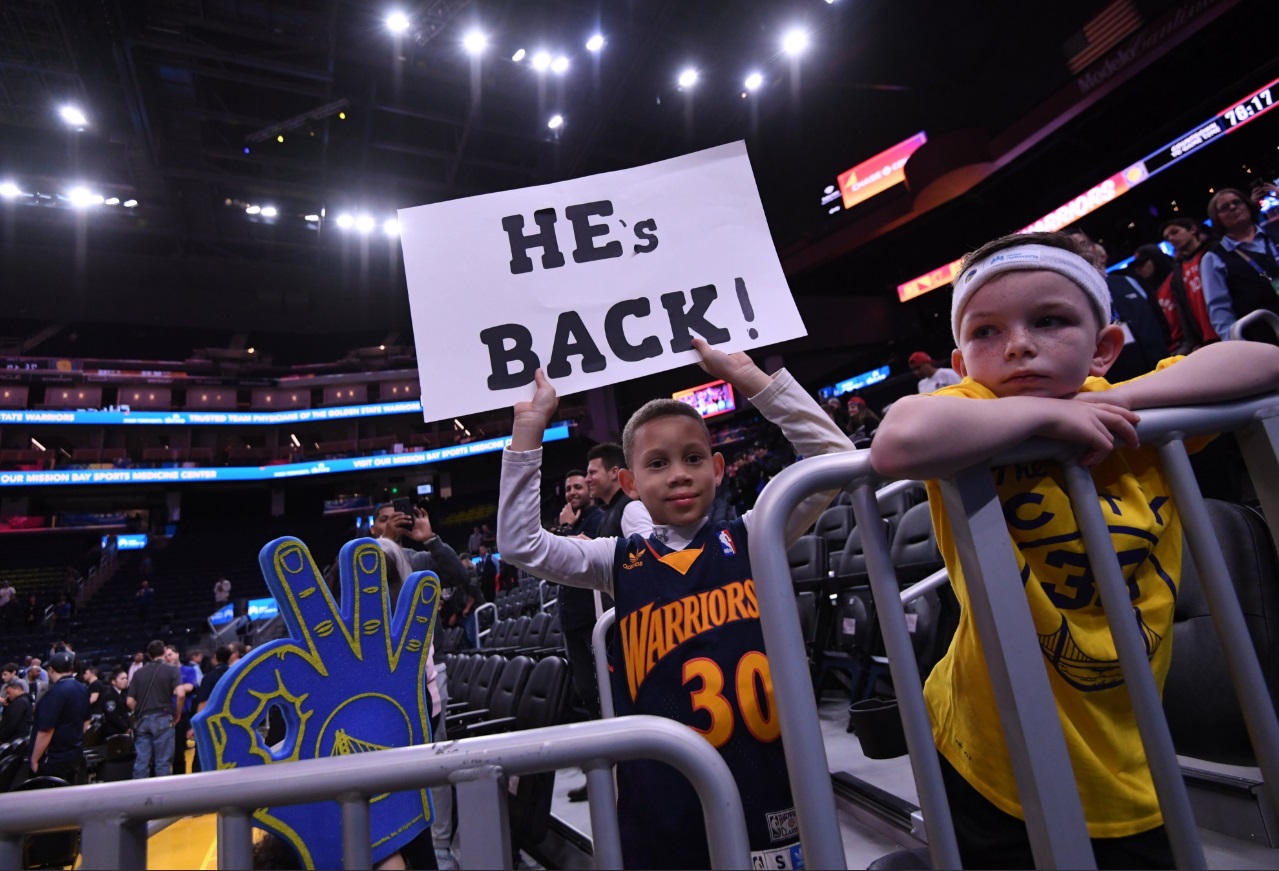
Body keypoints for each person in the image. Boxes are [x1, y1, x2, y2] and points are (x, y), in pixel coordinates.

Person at [870, 230, 1279, 869]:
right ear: (961, 360)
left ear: (1106, 347)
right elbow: (898, 441)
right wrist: (1046, 419)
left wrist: (1115, 402)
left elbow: (1262, 362)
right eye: (987, 333)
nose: (1020, 345)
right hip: (988, 749)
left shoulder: (1136, 424)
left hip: (1127, 741)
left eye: (1051, 321)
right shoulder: (972, 408)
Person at [498, 338, 851, 869]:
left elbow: (835, 461)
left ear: (719, 467)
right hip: (661, 785)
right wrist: (529, 431)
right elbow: (520, 543)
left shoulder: (758, 533)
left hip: (764, 769)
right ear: (629, 483)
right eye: (657, 463)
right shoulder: (613, 557)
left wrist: (751, 377)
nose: (679, 473)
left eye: (692, 459)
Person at [1064, 226, 1169, 381]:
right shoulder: (1069, 297)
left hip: (1161, 369)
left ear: (1094, 249)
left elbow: (1160, 320)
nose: (1080, 251)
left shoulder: (1129, 281)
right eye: (1072, 249)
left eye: (1083, 244)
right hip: (1114, 383)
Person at [1200, 187, 1279, 341]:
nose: (1232, 207)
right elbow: (1220, 312)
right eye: (1224, 207)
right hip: (1264, 340)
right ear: (1217, 218)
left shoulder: (1274, 234)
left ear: (1248, 205)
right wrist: (1239, 347)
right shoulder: (1213, 259)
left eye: (1237, 202)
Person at [25, 650, 90, 785]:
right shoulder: (82, 688)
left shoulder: (55, 692)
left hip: (53, 759)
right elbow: (86, 721)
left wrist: (34, 760)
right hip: (74, 754)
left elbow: (46, 730)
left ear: (50, 670)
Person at [1156, 218, 1217, 352]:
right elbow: (1183, 311)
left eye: (1175, 232)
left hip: (1233, 326)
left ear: (1193, 229)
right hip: (1207, 339)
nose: (1171, 238)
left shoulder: (1214, 251)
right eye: (1167, 237)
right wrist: (1193, 342)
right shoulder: (1178, 273)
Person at [127, 639, 183, 779]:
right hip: (163, 717)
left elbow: (129, 701)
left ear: (149, 655)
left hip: (143, 719)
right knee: (163, 763)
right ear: (164, 652)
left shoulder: (139, 673)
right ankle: (163, 798)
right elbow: (181, 693)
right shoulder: (172, 669)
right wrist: (177, 714)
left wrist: (140, 711)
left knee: (141, 762)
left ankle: (139, 796)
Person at [165, 646, 200, 775]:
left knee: (180, 749)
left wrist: (170, 690)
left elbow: (189, 687)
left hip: (182, 715)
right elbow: (182, 689)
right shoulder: (163, 672)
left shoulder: (188, 670)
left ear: (177, 654)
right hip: (165, 714)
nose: (168, 657)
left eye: (170, 654)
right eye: (166, 656)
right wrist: (179, 689)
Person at [98, 669, 132, 741]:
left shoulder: (122, 694)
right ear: (113, 681)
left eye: (126, 678)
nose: (125, 681)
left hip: (123, 730)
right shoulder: (109, 696)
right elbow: (113, 715)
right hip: (114, 732)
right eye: (122, 679)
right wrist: (125, 728)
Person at [0, 678, 34, 744]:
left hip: (14, 739)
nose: (7, 696)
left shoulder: (20, 702)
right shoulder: (24, 700)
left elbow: (12, 723)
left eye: (8, 693)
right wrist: (7, 706)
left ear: (18, 689)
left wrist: (2, 737)